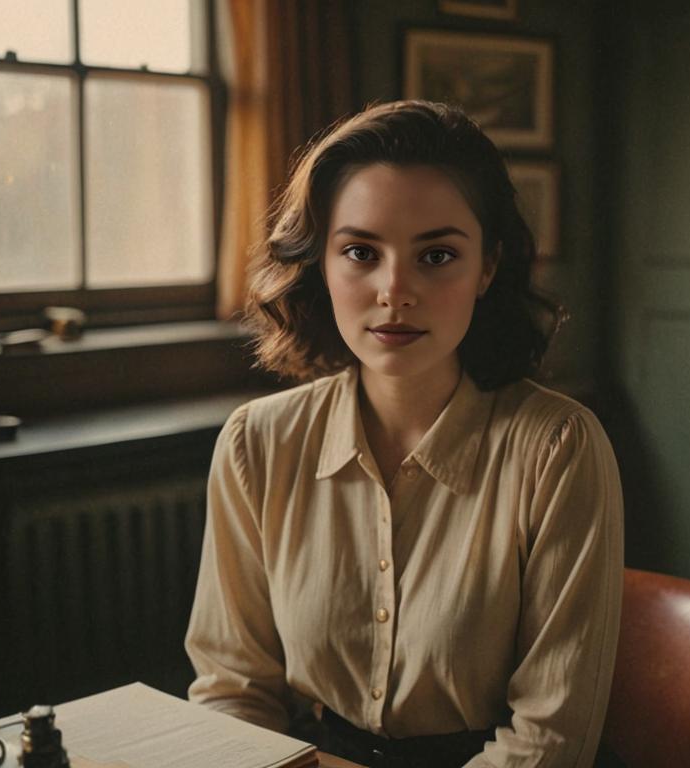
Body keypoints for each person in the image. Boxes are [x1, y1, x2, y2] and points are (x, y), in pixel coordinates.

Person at [185, 100, 624, 768]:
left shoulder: (558, 448)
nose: (395, 290)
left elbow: (550, 740)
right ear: (321, 265)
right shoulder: (257, 444)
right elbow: (231, 688)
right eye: (361, 251)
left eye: (437, 255)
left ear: (487, 269)